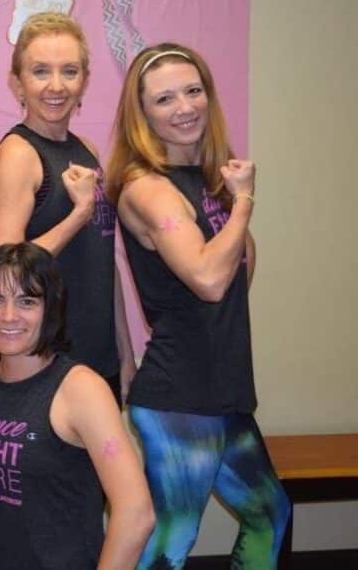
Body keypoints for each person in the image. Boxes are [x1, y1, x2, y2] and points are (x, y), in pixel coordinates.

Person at [106, 43, 289, 568]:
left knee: (268, 514)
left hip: (222, 389)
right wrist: (247, 201)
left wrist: (231, 202)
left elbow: (237, 276)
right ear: (142, 115)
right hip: (178, 400)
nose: (184, 106)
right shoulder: (149, 188)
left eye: (193, 91)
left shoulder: (206, 180)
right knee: (173, 539)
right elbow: (210, 280)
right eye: (164, 99)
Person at [0, 243, 154, 569]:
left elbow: (137, 512)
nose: (8, 316)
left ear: (51, 309)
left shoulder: (82, 390)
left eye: (27, 301)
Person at [0, 12, 135, 403]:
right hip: (45, 367)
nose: (56, 86)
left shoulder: (85, 149)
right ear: (17, 83)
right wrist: (78, 215)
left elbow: (103, 261)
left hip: (99, 359)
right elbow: (5, 268)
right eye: (40, 72)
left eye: (69, 71)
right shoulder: (18, 154)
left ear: (84, 81)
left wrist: (125, 352)